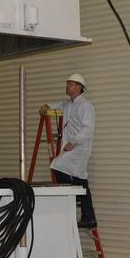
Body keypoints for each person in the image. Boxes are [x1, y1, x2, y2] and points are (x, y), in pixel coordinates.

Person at [41, 72, 96, 228]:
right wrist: (47, 106)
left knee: (57, 165)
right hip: (72, 148)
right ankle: (88, 216)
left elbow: (88, 129)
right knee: (79, 178)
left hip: (80, 148)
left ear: (79, 87)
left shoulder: (85, 106)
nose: (67, 86)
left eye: (70, 84)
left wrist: (73, 142)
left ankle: (76, 198)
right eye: (67, 83)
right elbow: (58, 105)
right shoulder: (69, 104)